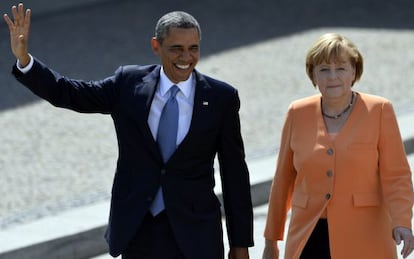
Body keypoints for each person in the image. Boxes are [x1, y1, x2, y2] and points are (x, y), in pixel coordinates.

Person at [4, 3, 254, 259]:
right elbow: (71, 94)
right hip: (139, 231)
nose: (186, 57)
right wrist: (25, 61)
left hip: (196, 235)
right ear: (156, 46)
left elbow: (235, 175)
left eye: (193, 48)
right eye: (176, 48)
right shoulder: (129, 84)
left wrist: (240, 243)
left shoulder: (221, 98)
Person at [262, 32, 414, 259]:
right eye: (324, 69)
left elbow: (397, 176)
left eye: (341, 68)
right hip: (308, 237)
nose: (332, 76)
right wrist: (271, 241)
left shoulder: (380, 110)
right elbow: (283, 181)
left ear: (354, 72)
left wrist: (402, 222)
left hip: (366, 236)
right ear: (313, 75)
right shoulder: (297, 113)